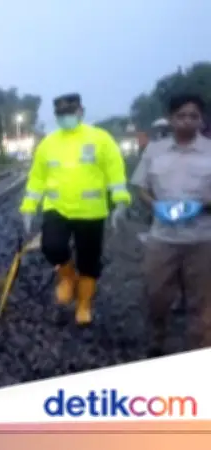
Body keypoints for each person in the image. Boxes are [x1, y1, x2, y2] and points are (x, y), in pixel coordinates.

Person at [19, 93, 131, 326]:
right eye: (61, 114)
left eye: (70, 112)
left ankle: (83, 305)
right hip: (57, 208)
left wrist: (120, 199)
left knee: (89, 261)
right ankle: (68, 278)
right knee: (52, 246)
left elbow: (115, 171)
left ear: (81, 111)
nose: (66, 117)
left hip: (91, 211)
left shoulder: (100, 139)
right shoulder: (48, 143)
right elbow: (37, 177)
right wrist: (29, 206)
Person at [129, 93, 211, 357]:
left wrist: (203, 205)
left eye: (194, 116)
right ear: (171, 119)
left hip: (202, 239)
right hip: (162, 238)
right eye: (181, 115)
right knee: (156, 295)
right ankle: (157, 339)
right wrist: (154, 206)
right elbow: (140, 186)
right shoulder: (155, 151)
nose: (187, 121)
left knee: (202, 303)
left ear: (201, 120)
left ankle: (199, 350)